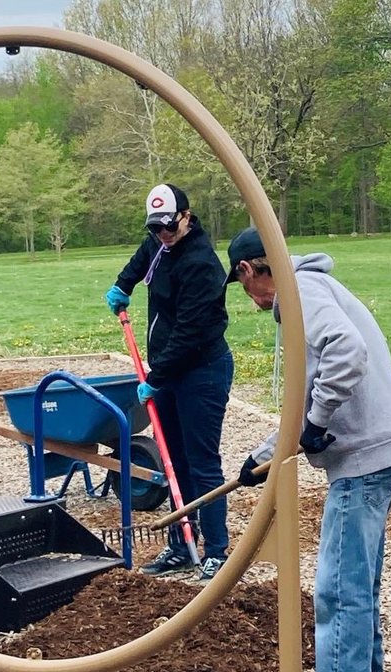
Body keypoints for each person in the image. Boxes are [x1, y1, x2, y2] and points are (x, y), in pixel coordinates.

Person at [227, 227, 391, 672]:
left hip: (363, 458)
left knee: (338, 590)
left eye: (243, 289)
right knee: (360, 582)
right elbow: (302, 394)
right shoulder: (310, 289)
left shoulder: (299, 292)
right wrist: (263, 455)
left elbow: (345, 354)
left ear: (248, 272)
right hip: (381, 445)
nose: (252, 301)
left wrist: (314, 423)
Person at [105, 183, 233, 581]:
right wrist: (123, 285)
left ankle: (216, 551)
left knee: (201, 463)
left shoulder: (202, 264)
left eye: (169, 227)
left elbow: (190, 333)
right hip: (168, 372)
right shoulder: (158, 243)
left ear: (187, 216)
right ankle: (181, 546)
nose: (162, 235)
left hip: (201, 372)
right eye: (156, 228)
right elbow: (142, 257)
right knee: (173, 464)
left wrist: (156, 377)